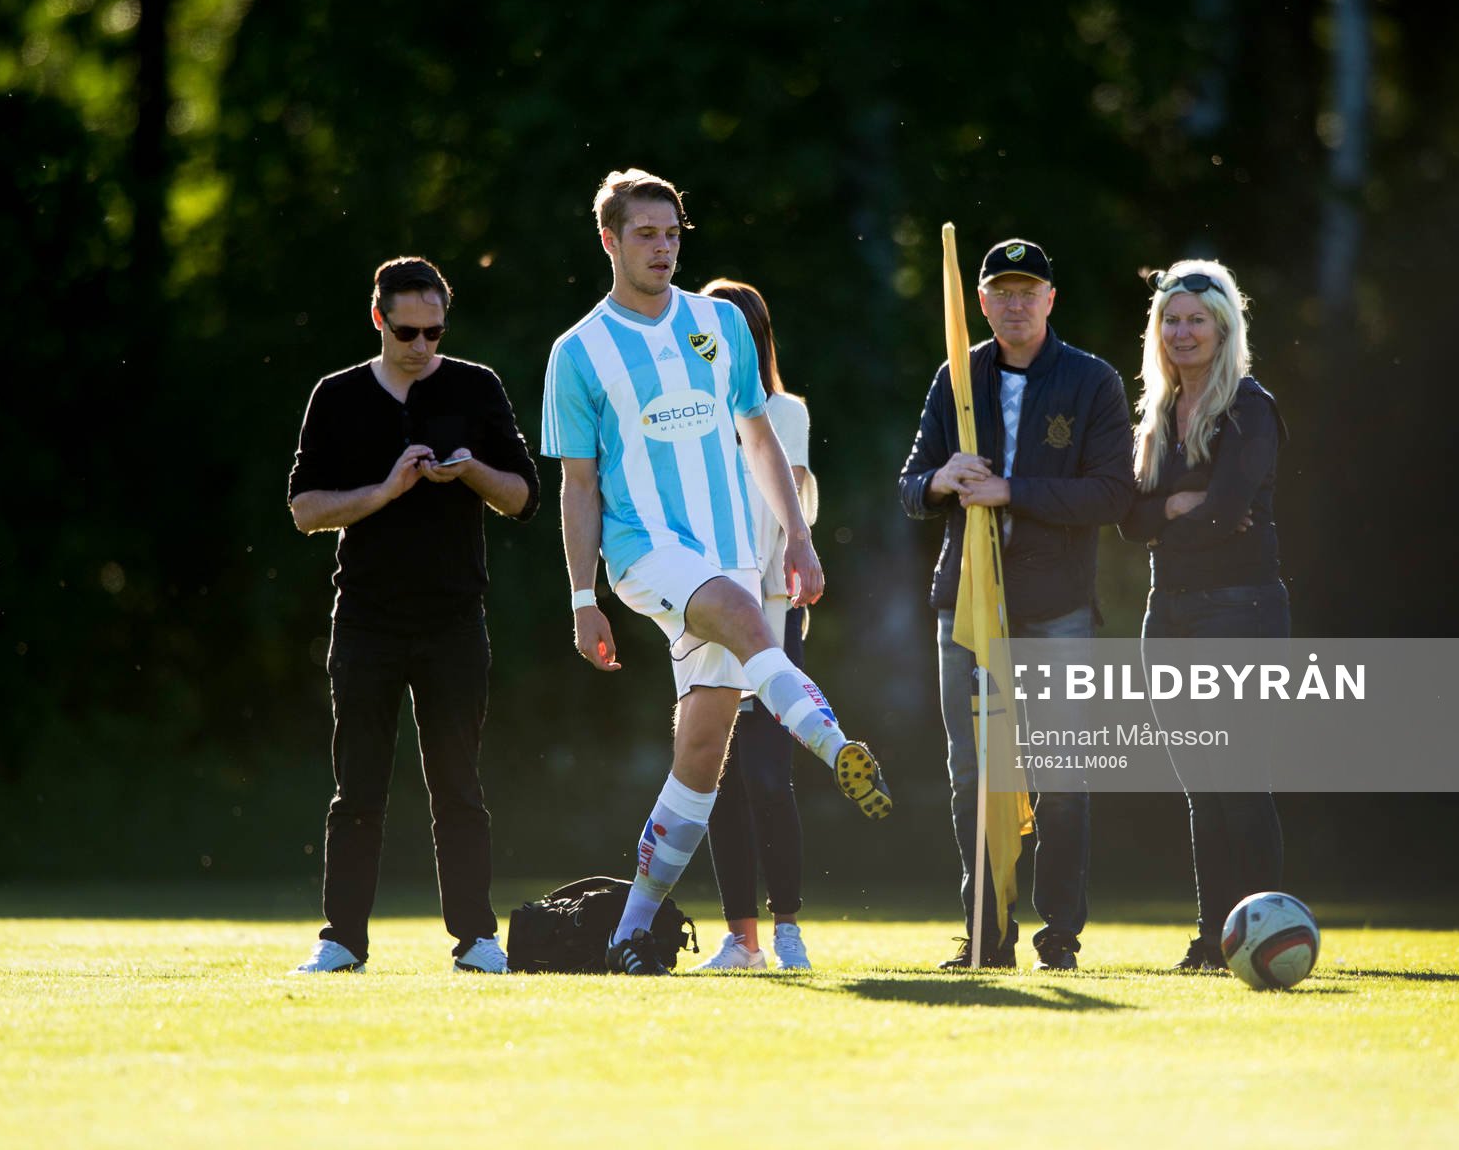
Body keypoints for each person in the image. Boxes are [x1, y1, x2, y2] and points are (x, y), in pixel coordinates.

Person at [541, 168, 890, 977]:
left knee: (701, 749)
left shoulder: (720, 323)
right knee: (740, 610)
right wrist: (582, 598)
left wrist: (799, 540)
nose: (662, 249)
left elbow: (760, 439)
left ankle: (630, 929)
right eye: (645, 235)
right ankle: (835, 745)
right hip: (643, 553)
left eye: (672, 235)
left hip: (730, 549)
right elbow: (579, 485)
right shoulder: (579, 352)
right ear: (610, 241)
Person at [286, 256, 539, 974]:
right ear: (379, 320)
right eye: (408, 332)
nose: (424, 346)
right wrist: (385, 491)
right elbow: (304, 510)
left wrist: (471, 472)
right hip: (366, 619)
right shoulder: (336, 396)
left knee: (459, 785)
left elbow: (524, 497)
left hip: (455, 620)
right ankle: (342, 939)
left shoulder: (475, 385)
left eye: (435, 331)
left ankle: (475, 938)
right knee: (357, 786)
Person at [898, 239, 1137, 972]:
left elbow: (1113, 495)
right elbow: (910, 489)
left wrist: (1014, 491)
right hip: (965, 606)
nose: (1014, 302)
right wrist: (943, 478)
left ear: (1050, 300)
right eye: (1001, 290)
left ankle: (1058, 934)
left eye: (1028, 290)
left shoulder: (1091, 380)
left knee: (1062, 777)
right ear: (981, 301)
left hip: (1056, 606)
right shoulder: (956, 374)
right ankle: (985, 935)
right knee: (974, 774)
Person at [1119, 260, 1288, 972]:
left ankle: (1269, 926)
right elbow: (1126, 521)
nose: (1182, 331)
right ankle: (1214, 935)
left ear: (1223, 328)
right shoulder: (1157, 414)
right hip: (1171, 610)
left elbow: (1226, 513)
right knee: (1200, 782)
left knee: (1238, 776)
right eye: (1171, 319)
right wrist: (1175, 511)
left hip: (1239, 607)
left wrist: (1173, 515)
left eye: (1196, 319)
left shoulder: (1249, 407)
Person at [687, 279, 819, 973]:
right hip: (703, 623)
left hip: (768, 622)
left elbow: (782, 518)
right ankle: (741, 939)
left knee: (768, 776)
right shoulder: (681, 417)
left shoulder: (784, 413)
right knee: (716, 779)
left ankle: (787, 926)